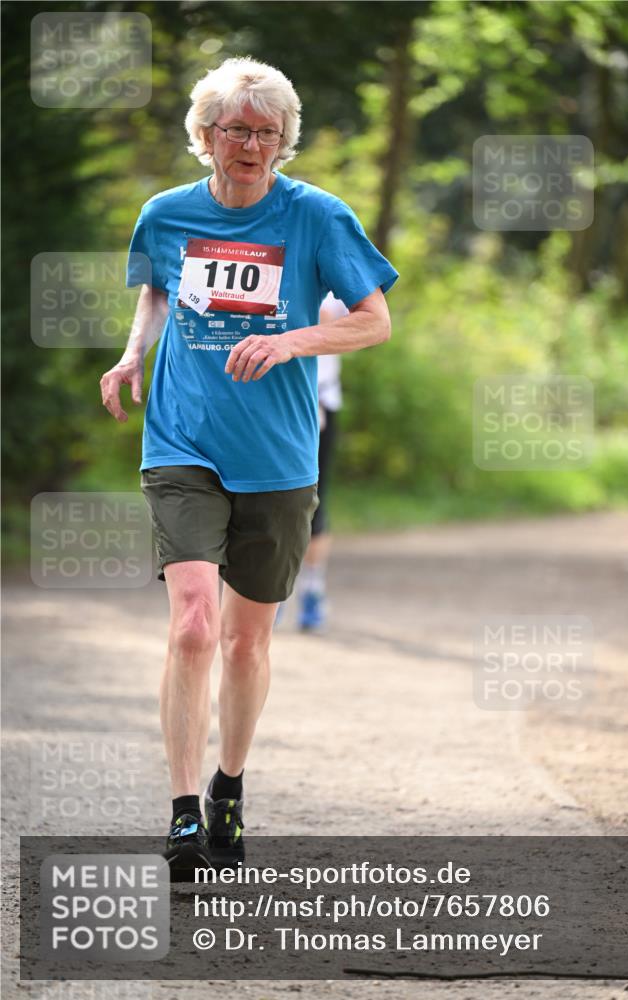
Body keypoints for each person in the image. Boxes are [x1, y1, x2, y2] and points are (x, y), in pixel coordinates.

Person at [99, 57, 398, 878]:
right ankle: (183, 811)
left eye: (269, 133)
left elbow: (373, 322)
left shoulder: (316, 218)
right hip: (182, 442)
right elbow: (158, 292)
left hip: (276, 455)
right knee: (193, 622)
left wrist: (290, 340)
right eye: (238, 130)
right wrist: (132, 356)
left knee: (244, 642)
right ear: (205, 136)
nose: (254, 146)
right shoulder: (164, 214)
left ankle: (230, 782)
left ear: (283, 142)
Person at [296, 293, 346, 631]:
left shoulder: (339, 274)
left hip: (319, 398)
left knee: (315, 500)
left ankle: (312, 590)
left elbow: (356, 325)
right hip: (272, 398)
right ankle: (272, 592)